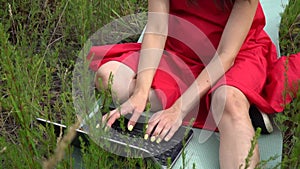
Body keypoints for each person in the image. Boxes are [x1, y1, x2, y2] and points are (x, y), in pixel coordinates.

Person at [87, 0, 300, 168]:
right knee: (109, 78)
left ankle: (233, 106)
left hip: (233, 54)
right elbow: (157, 29)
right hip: (180, 49)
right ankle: (238, 109)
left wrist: (178, 110)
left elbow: (226, 55)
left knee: (228, 103)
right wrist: (140, 93)